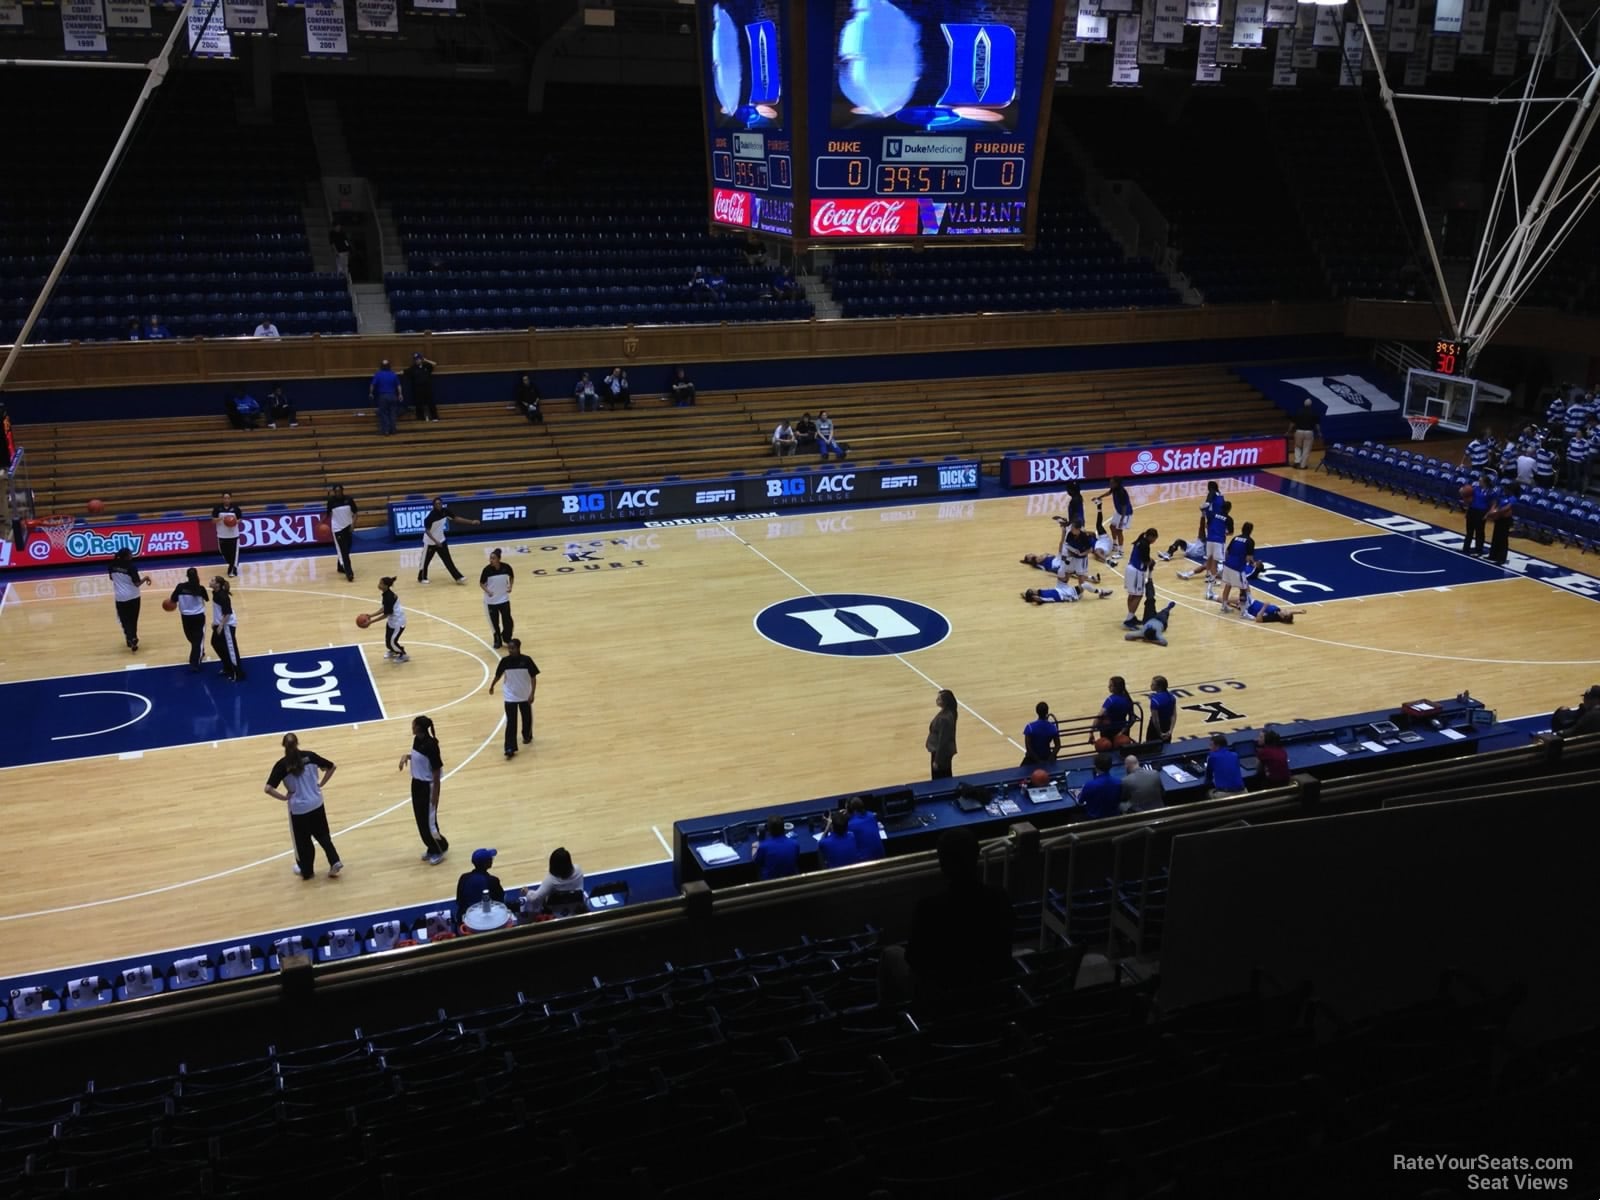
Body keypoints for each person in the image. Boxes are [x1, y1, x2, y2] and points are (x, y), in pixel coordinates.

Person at [881, 828, 1014, 1005]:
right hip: (990, 991)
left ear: (942, 864)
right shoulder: (1000, 897)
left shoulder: (928, 908)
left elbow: (914, 960)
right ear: (977, 858)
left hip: (940, 997)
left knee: (890, 954)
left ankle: (889, 1020)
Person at [263, 734, 341, 881]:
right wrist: (321, 784)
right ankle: (335, 861)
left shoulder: (282, 765)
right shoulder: (310, 756)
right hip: (317, 802)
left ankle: (307, 871)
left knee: (303, 842)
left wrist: (284, 797)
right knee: (323, 835)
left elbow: (268, 789)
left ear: (284, 746)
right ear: (298, 743)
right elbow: (332, 767)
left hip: (299, 809)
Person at [398, 715, 449, 864]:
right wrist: (405, 757)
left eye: (413, 725)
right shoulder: (417, 740)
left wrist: (435, 795)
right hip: (416, 784)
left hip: (428, 787)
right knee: (420, 820)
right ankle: (432, 847)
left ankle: (440, 848)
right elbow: (418, 758)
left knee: (429, 822)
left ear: (419, 728)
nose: (411, 727)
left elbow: (436, 771)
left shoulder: (431, 745)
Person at [488, 637, 539, 758]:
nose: (510, 650)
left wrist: (532, 693)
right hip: (510, 696)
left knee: (526, 718)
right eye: (509, 648)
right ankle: (510, 747)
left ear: (518, 648)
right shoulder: (505, 661)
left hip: (525, 695)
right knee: (511, 722)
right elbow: (498, 674)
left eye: (513, 648)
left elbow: (533, 677)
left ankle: (527, 736)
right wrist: (492, 686)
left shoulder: (527, 660)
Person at [1178, 499, 1231, 602]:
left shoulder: (1215, 515)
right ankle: (1204, 579)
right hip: (1221, 553)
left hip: (1225, 569)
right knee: (1209, 563)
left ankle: (1195, 576)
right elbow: (1229, 532)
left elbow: (1207, 525)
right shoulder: (1228, 519)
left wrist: (1205, 513)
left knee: (1208, 564)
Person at [417, 497, 477, 584]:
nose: (438, 505)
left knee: (448, 560)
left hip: (441, 540)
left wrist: (471, 522)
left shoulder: (445, 511)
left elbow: (456, 518)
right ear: (433, 505)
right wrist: (436, 542)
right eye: (436, 504)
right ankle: (421, 577)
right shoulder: (430, 517)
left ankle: (458, 577)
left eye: (440, 503)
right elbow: (427, 531)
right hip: (430, 542)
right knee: (425, 561)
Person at [107, 548, 151, 652]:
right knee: (133, 619)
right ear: (126, 556)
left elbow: (111, 578)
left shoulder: (112, 565)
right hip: (133, 597)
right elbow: (137, 584)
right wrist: (146, 578)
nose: (132, 555)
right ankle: (132, 638)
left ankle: (130, 638)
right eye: (131, 554)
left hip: (120, 598)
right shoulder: (131, 567)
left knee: (124, 620)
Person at [168, 567, 209, 672]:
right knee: (196, 639)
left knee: (193, 638)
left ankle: (194, 662)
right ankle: (199, 650)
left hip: (186, 617)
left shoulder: (180, 587)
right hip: (198, 616)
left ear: (187, 576)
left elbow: (173, 599)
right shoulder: (200, 589)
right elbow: (207, 599)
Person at [523, 847, 586, 914]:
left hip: (555, 909)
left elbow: (534, 898)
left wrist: (527, 892)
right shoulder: (578, 870)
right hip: (575, 906)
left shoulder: (551, 880)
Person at [361, 577, 408, 663]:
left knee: (392, 642)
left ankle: (403, 654)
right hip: (392, 621)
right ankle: (393, 651)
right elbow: (384, 608)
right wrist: (371, 615)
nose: (379, 584)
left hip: (398, 622)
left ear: (386, 586)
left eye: (381, 583)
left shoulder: (389, 597)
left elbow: (386, 614)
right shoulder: (386, 594)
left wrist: (371, 622)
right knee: (388, 641)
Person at [1121, 528, 1159, 629]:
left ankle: (1131, 616)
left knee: (1132, 595)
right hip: (1137, 571)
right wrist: (1152, 562)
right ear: (1151, 537)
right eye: (1154, 539)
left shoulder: (1140, 540)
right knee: (1138, 595)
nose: (1154, 541)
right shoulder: (1145, 545)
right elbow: (1145, 561)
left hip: (1130, 568)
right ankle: (1128, 620)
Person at [209, 576, 245, 680]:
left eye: (212, 580)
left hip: (227, 625)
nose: (210, 581)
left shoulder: (223, 596)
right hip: (220, 623)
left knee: (231, 649)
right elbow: (219, 610)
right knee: (215, 643)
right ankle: (228, 666)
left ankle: (238, 674)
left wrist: (220, 625)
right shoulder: (215, 593)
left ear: (218, 584)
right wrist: (215, 622)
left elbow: (228, 613)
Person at [1217, 521, 1257, 613]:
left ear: (1242, 529)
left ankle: (1224, 606)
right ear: (1251, 531)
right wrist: (1253, 564)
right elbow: (1249, 558)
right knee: (1243, 588)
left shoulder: (1235, 538)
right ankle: (1243, 612)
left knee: (1228, 585)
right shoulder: (1250, 541)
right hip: (1237, 567)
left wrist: (1226, 563)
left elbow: (1227, 552)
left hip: (1228, 565)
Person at [479, 547, 515, 648]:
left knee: (508, 621)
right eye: (490, 558)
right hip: (491, 601)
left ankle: (507, 637)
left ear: (499, 559)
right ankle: (497, 640)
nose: (491, 560)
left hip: (504, 599)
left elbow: (512, 576)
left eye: (493, 558)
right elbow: (481, 583)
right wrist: (488, 591)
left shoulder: (506, 567)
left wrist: (510, 586)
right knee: (495, 623)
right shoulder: (486, 570)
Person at [456, 848, 504, 917]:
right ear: (487, 863)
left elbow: (459, 900)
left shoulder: (464, 877)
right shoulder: (493, 880)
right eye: (490, 859)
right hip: (486, 918)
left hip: (465, 916)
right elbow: (500, 902)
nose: (492, 860)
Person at [751, 815, 801, 880]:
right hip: (792, 881)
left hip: (771, 884)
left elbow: (756, 861)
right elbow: (796, 858)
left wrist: (754, 847)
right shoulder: (795, 844)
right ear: (783, 828)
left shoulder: (763, 847)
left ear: (768, 830)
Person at [326, 484, 358, 583]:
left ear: (342, 491)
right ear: (334, 492)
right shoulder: (331, 501)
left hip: (348, 527)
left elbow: (356, 513)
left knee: (347, 548)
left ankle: (340, 566)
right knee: (344, 551)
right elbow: (328, 514)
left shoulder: (349, 500)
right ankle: (349, 573)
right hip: (337, 529)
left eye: (339, 491)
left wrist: (353, 525)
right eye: (336, 491)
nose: (338, 493)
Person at [1093, 477, 1135, 551]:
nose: (1110, 484)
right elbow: (1109, 493)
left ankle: (1121, 550)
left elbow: (1124, 506)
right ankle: (1115, 544)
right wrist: (1099, 497)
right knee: (1112, 527)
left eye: (1112, 483)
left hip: (1125, 514)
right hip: (1119, 512)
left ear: (1116, 483)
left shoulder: (1121, 492)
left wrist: (1122, 520)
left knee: (1119, 531)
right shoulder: (1114, 488)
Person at [926, 688, 958, 780]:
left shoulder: (944, 718)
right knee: (946, 774)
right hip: (943, 751)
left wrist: (937, 760)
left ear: (945, 702)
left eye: (939, 699)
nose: (937, 700)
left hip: (940, 753)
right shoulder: (949, 712)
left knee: (940, 777)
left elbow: (942, 741)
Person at [1079, 753, 1122, 819]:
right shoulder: (1119, 783)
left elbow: (1080, 801)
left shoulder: (1089, 785)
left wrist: (1082, 791)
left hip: (1094, 822)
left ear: (1095, 767)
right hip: (1114, 820)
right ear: (1111, 766)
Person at [1095, 676, 1136, 744]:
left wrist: (1091, 731)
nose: (1108, 686)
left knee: (1107, 749)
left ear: (1116, 688)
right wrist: (1123, 731)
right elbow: (1133, 718)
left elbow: (1099, 715)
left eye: (1111, 685)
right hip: (1121, 730)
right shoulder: (1128, 700)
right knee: (1120, 751)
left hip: (1109, 730)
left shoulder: (1111, 700)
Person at [1205, 732, 1247, 797]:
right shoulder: (1235, 755)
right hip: (1243, 792)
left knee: (1208, 793)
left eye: (1211, 745)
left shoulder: (1212, 756)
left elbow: (1208, 777)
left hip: (1225, 794)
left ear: (1217, 746)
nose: (1209, 748)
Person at [212, 491, 244, 578]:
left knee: (234, 554)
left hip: (234, 536)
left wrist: (234, 522)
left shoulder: (236, 509)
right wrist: (220, 519)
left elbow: (240, 519)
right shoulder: (217, 509)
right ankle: (232, 565)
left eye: (228, 498)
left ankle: (233, 570)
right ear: (222, 499)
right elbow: (213, 521)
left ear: (230, 499)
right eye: (225, 498)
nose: (226, 499)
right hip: (222, 536)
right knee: (224, 553)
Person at [1461, 473, 1492, 557]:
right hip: (1472, 511)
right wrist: (1462, 492)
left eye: (1480, 481)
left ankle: (1478, 549)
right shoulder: (1475, 489)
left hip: (1481, 513)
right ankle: (1466, 547)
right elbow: (1466, 495)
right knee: (1469, 531)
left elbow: (1492, 505)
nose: (1479, 482)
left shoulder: (1490, 492)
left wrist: (1487, 514)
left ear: (1485, 482)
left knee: (1479, 532)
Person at [1021, 701, 1060, 767]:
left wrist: (1038, 761)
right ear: (1047, 712)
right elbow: (1058, 745)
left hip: (1031, 760)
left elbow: (1028, 747)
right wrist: (1051, 758)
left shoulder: (1030, 727)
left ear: (1036, 712)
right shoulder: (1052, 728)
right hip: (1047, 757)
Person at [369, 359, 402, 436]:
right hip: (393, 396)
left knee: (384, 414)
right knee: (393, 413)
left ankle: (386, 430)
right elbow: (398, 385)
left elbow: (372, 385)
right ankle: (393, 430)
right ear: (389, 366)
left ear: (381, 366)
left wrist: (371, 393)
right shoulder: (393, 374)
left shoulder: (378, 374)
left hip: (383, 396)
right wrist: (400, 394)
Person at [847, 796, 885, 861]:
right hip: (881, 855)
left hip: (865, 861)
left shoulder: (851, 824)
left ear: (851, 810)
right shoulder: (871, 815)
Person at [1486, 483, 1516, 565]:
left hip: (1506, 520)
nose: (1504, 491)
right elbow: (1496, 503)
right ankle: (1492, 555)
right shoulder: (1502, 496)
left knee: (1503, 539)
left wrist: (1495, 512)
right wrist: (1493, 511)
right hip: (1499, 518)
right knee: (1496, 536)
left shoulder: (1513, 498)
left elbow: (1507, 508)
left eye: (1506, 489)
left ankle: (1501, 558)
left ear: (1510, 490)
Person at [406, 352, 439, 422]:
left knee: (431, 403)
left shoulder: (426, 366)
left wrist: (426, 360)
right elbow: (404, 372)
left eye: (418, 359)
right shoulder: (413, 368)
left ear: (421, 359)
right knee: (419, 404)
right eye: (415, 359)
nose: (417, 361)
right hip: (418, 389)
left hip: (427, 388)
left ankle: (434, 417)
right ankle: (421, 418)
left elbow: (435, 364)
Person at [1287, 399, 1320, 469]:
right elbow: (1317, 425)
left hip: (1299, 431)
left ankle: (1297, 461)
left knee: (1297, 447)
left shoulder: (1298, 411)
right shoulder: (1314, 412)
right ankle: (1303, 465)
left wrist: (1288, 431)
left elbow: (1292, 423)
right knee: (1306, 448)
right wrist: (1319, 432)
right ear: (1311, 405)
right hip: (1309, 432)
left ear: (1304, 404)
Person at [1146, 676, 1177, 744]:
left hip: (1155, 729)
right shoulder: (1172, 697)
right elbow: (1174, 715)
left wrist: (1160, 733)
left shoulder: (1155, 701)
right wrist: (1170, 731)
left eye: (1153, 684)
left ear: (1159, 686)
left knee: (1151, 749)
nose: (1151, 685)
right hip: (1167, 726)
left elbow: (1155, 720)